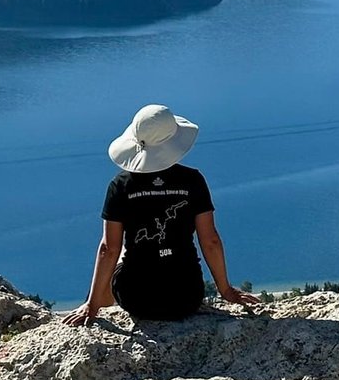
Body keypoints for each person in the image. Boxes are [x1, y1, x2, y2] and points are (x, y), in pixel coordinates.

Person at [62, 103, 258, 324]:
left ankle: (102, 308)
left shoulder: (120, 185)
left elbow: (109, 249)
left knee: (122, 248)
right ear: (173, 143)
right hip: (187, 297)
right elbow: (210, 240)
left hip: (136, 299)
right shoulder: (193, 181)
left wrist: (91, 304)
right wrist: (225, 289)